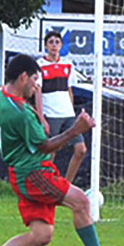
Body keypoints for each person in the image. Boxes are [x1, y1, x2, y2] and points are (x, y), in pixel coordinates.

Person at [0, 54, 124, 246]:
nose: (36, 85)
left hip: (20, 173)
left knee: (41, 235)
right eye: (34, 79)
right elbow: (45, 145)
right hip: (33, 173)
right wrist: (75, 130)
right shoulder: (22, 113)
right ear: (23, 77)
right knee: (81, 202)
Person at [35, 31, 86, 184]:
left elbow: (69, 90)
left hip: (67, 114)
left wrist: (72, 110)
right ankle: (45, 184)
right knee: (50, 152)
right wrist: (41, 117)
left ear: (61, 46)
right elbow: (37, 92)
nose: (54, 45)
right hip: (50, 114)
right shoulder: (40, 65)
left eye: (57, 42)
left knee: (81, 149)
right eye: (51, 42)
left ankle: (66, 185)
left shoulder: (68, 64)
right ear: (45, 45)